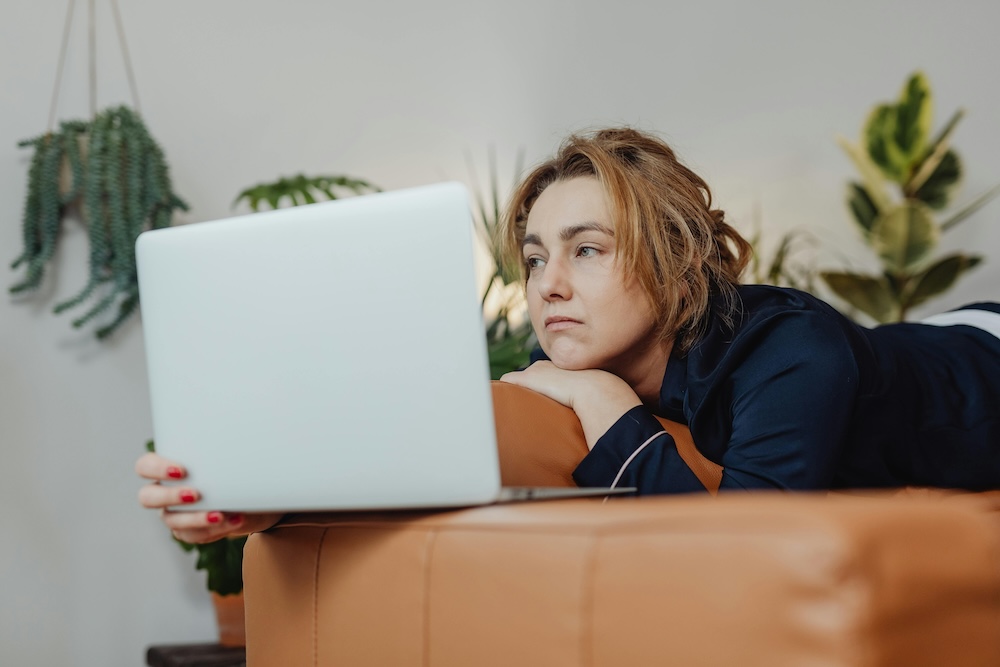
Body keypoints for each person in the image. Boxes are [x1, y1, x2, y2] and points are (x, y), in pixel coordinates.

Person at [137, 126, 1000, 543]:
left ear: (674, 259)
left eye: (588, 251)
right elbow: (430, 455)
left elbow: (739, 553)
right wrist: (252, 498)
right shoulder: (562, 356)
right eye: (536, 254)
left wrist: (600, 400)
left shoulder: (789, 352)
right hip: (912, 340)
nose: (548, 283)